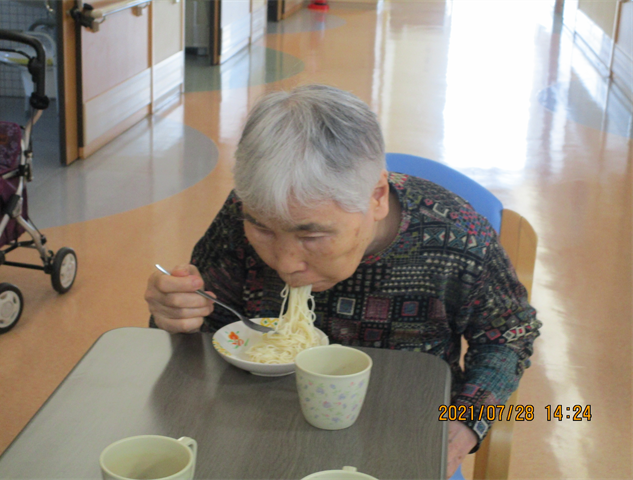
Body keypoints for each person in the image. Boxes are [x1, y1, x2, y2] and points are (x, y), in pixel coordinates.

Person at [145, 84, 541, 479]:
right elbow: (205, 331)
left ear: (377, 197)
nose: (285, 263)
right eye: (262, 229)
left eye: (311, 236)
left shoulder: (458, 237)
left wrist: (466, 424)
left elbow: (509, 335)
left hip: (398, 433)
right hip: (260, 427)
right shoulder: (242, 213)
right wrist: (175, 315)